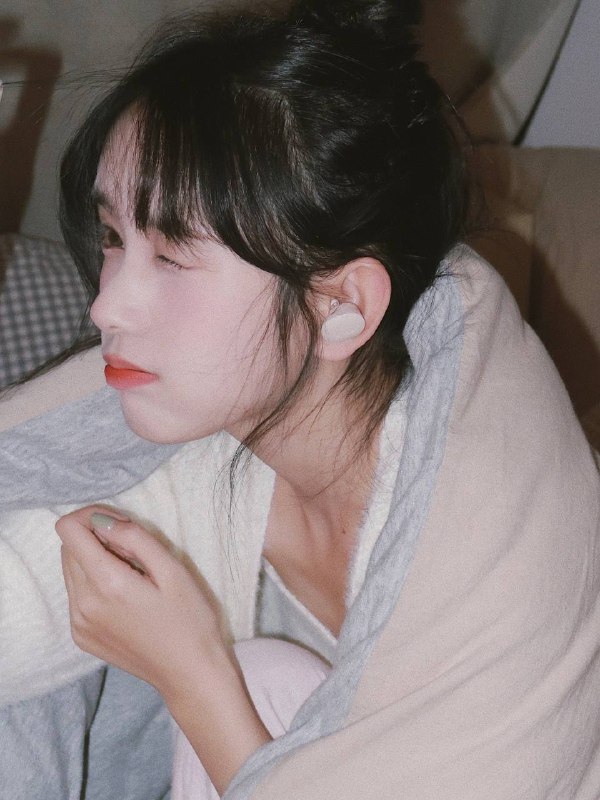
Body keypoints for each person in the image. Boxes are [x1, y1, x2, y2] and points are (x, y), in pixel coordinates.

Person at [14, 0, 600, 797]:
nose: (105, 307)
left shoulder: (490, 529)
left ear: (342, 307)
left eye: (173, 255)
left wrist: (192, 673)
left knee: (259, 679)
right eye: (115, 238)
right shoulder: (215, 453)